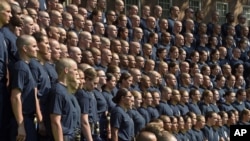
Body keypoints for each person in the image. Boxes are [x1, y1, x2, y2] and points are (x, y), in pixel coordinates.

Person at [10, 35, 42, 141]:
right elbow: (15, 97)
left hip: (29, 120)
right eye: (34, 46)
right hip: (22, 120)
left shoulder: (27, 67)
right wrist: (21, 125)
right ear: (24, 48)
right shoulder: (21, 67)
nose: (37, 49)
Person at [47, 58, 80, 140]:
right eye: (75, 70)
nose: (77, 73)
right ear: (66, 70)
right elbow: (55, 121)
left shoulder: (67, 90)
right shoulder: (58, 91)